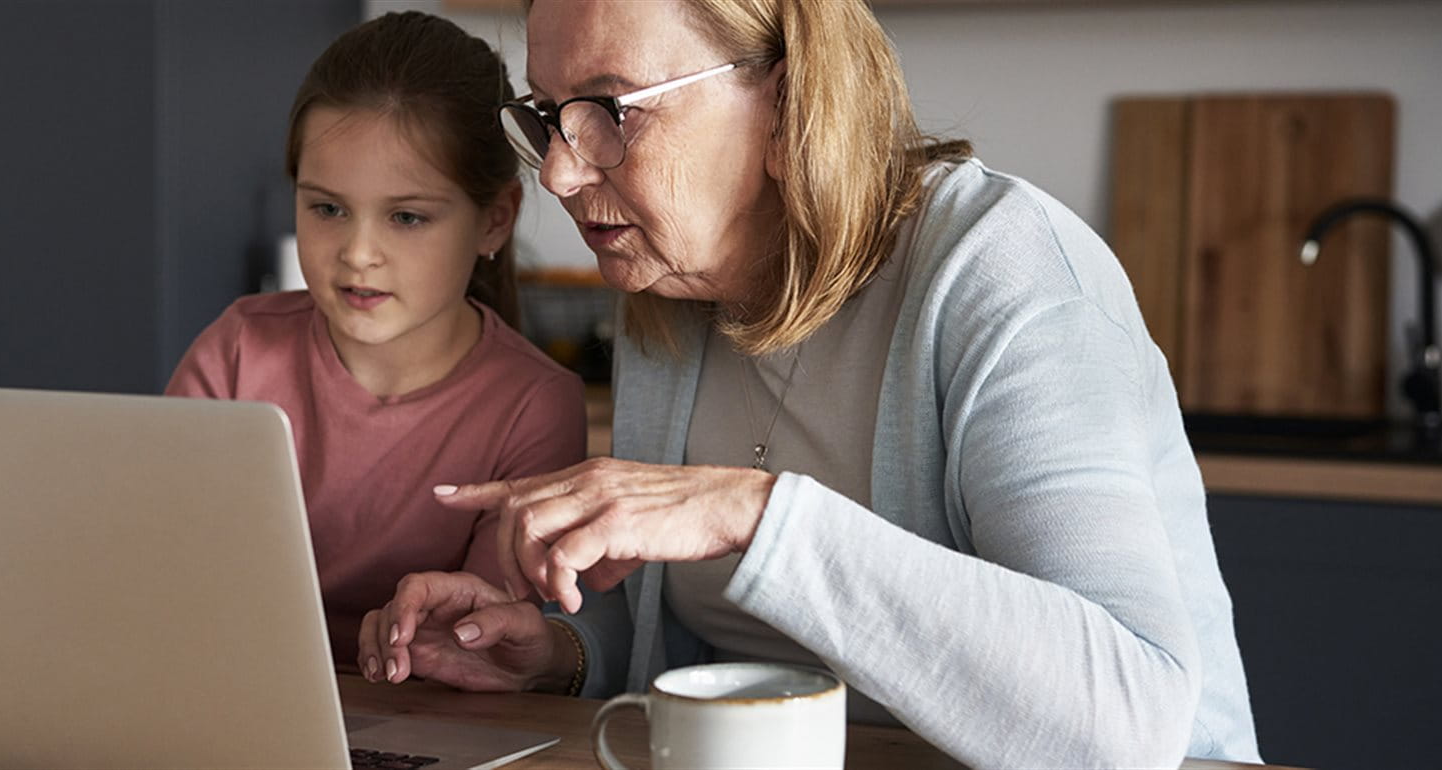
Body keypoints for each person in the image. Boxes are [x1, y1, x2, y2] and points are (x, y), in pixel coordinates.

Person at [357, 1, 1261, 767]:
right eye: (549, 113)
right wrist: (558, 655)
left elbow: (1129, 721)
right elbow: (713, 637)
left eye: (609, 109)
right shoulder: (670, 290)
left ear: (790, 105)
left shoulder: (1004, 267)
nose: (558, 169)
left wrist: (752, 515)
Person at [166, 11, 586, 665]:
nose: (358, 253)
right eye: (327, 208)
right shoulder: (237, 352)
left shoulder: (535, 407)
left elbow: (477, 638)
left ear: (494, 221)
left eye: (407, 217)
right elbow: (161, 575)